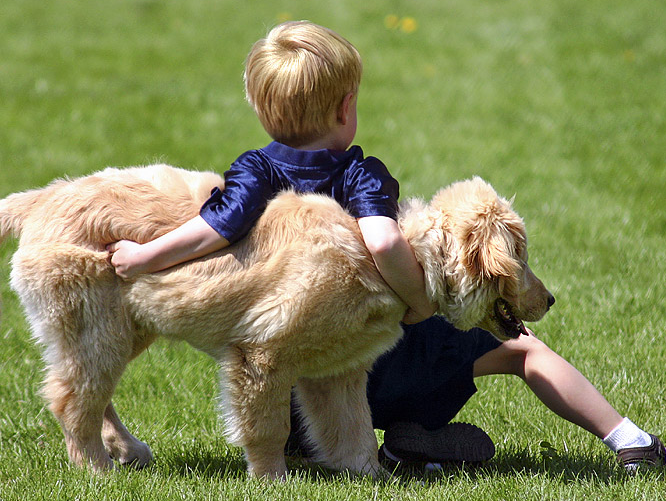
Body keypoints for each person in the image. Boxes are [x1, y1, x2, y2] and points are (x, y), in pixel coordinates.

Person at [106, 20, 435, 324]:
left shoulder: (257, 170)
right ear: (345, 108)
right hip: (345, 326)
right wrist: (420, 303)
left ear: (261, 111)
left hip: (276, 319)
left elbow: (214, 227)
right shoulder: (360, 175)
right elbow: (384, 243)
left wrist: (143, 257)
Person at [288, 316, 666, 475]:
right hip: (390, 355)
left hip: (302, 400)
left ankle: (387, 457)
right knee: (524, 348)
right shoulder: (361, 177)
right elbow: (385, 246)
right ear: (342, 124)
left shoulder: (257, 180)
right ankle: (633, 444)